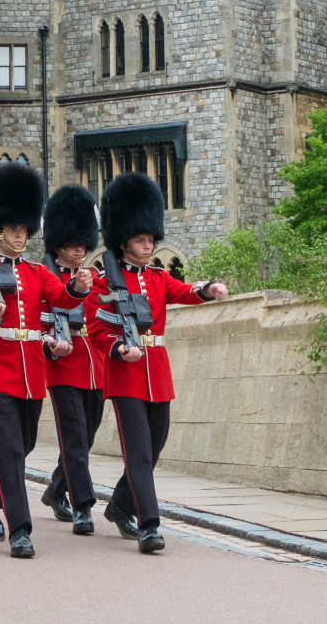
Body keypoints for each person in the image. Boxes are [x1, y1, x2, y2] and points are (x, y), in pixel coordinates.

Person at [87, 173, 228, 554]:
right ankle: (149, 524)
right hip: (126, 375)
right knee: (139, 453)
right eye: (141, 240)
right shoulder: (104, 284)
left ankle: (119, 505)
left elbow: (185, 291)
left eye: (150, 240)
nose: (148, 246)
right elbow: (97, 329)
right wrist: (118, 350)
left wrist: (209, 289)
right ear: (124, 242)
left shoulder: (158, 278)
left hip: (157, 373)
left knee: (156, 447)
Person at [0, 163, 93, 559]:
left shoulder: (39, 272)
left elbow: (62, 299)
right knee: (8, 453)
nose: (21, 235)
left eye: (24, 229)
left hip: (31, 374)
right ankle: (20, 530)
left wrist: (75, 286)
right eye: (14, 229)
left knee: (22, 447)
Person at [37, 185, 105, 534]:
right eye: (74, 243)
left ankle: (54, 489)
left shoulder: (97, 280)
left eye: (84, 243)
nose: (80, 249)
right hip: (61, 364)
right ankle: (83, 505)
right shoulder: (44, 278)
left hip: (95, 365)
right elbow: (35, 323)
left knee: (86, 436)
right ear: (59, 243)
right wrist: (50, 343)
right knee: (75, 436)